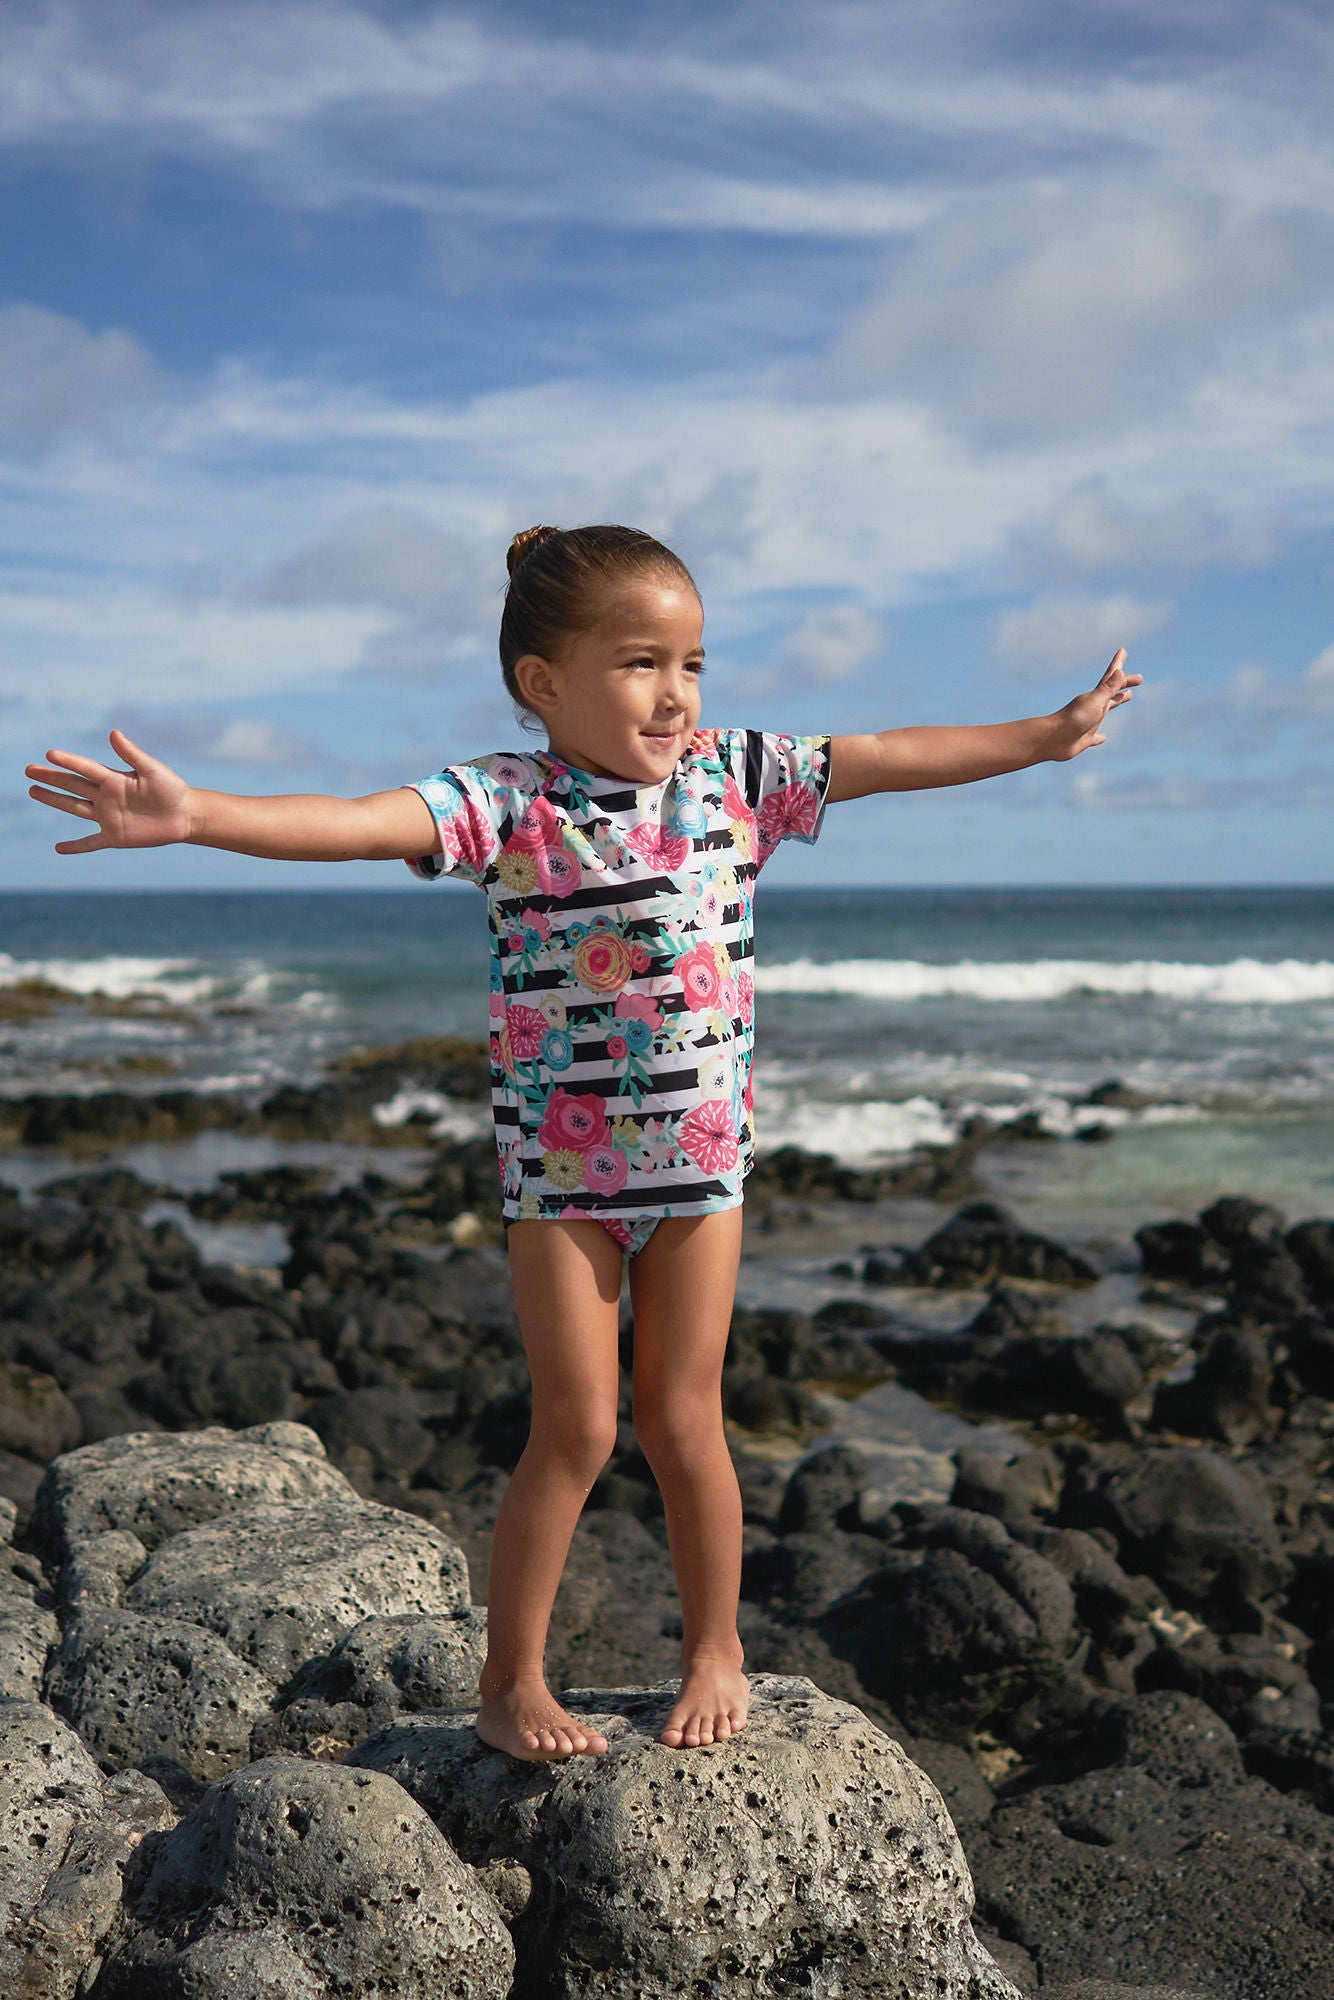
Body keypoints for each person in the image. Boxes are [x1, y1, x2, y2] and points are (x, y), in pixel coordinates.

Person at [25, 521, 1141, 1763]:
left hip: (701, 1167)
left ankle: (714, 1646)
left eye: (693, 661)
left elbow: (886, 753)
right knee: (577, 1426)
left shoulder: (734, 774)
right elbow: (347, 819)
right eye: (639, 661)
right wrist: (198, 814)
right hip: (559, 1178)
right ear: (541, 681)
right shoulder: (505, 801)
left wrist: (1041, 738)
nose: (674, 692)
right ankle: (512, 1681)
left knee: (683, 1416)